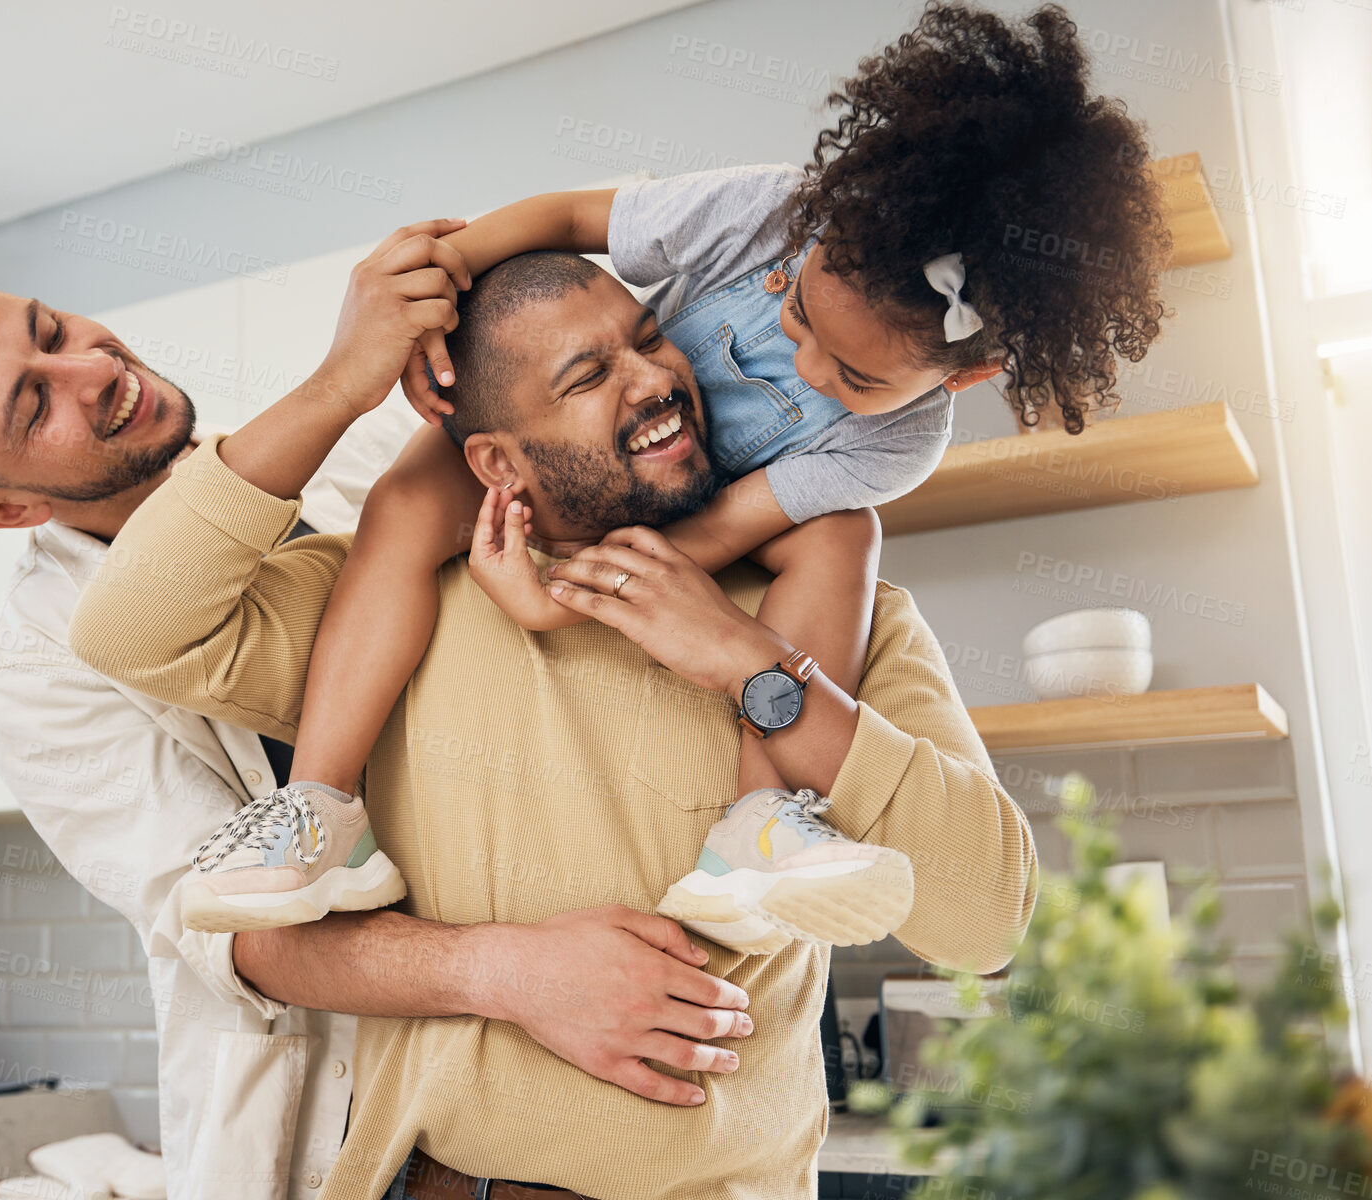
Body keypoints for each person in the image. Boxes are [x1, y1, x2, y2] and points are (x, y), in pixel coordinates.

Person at [186, 1, 1166, 958]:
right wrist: (440, 280)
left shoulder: (900, 448)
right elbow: (569, 215)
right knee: (403, 500)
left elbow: (725, 529)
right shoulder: (766, 210)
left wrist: (563, 600)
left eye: (856, 378)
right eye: (800, 318)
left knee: (843, 537)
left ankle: (760, 823)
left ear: (967, 373)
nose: (813, 369)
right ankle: (320, 808)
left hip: (700, 516)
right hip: (583, 495)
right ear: (823, 222)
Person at [66, 244, 1039, 1198]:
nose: (659, 378)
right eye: (589, 376)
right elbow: (132, 626)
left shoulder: (832, 613)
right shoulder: (398, 606)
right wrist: (339, 386)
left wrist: (750, 666)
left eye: (654, 340)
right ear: (495, 460)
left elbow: (987, 922)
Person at [0, 223, 752, 1198]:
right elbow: (244, 938)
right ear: (9, 509)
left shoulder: (365, 455)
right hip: (369, 1145)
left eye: (53, 328)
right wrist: (515, 972)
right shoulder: (39, 670)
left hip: (595, 1096)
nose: (91, 367)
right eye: (35, 402)